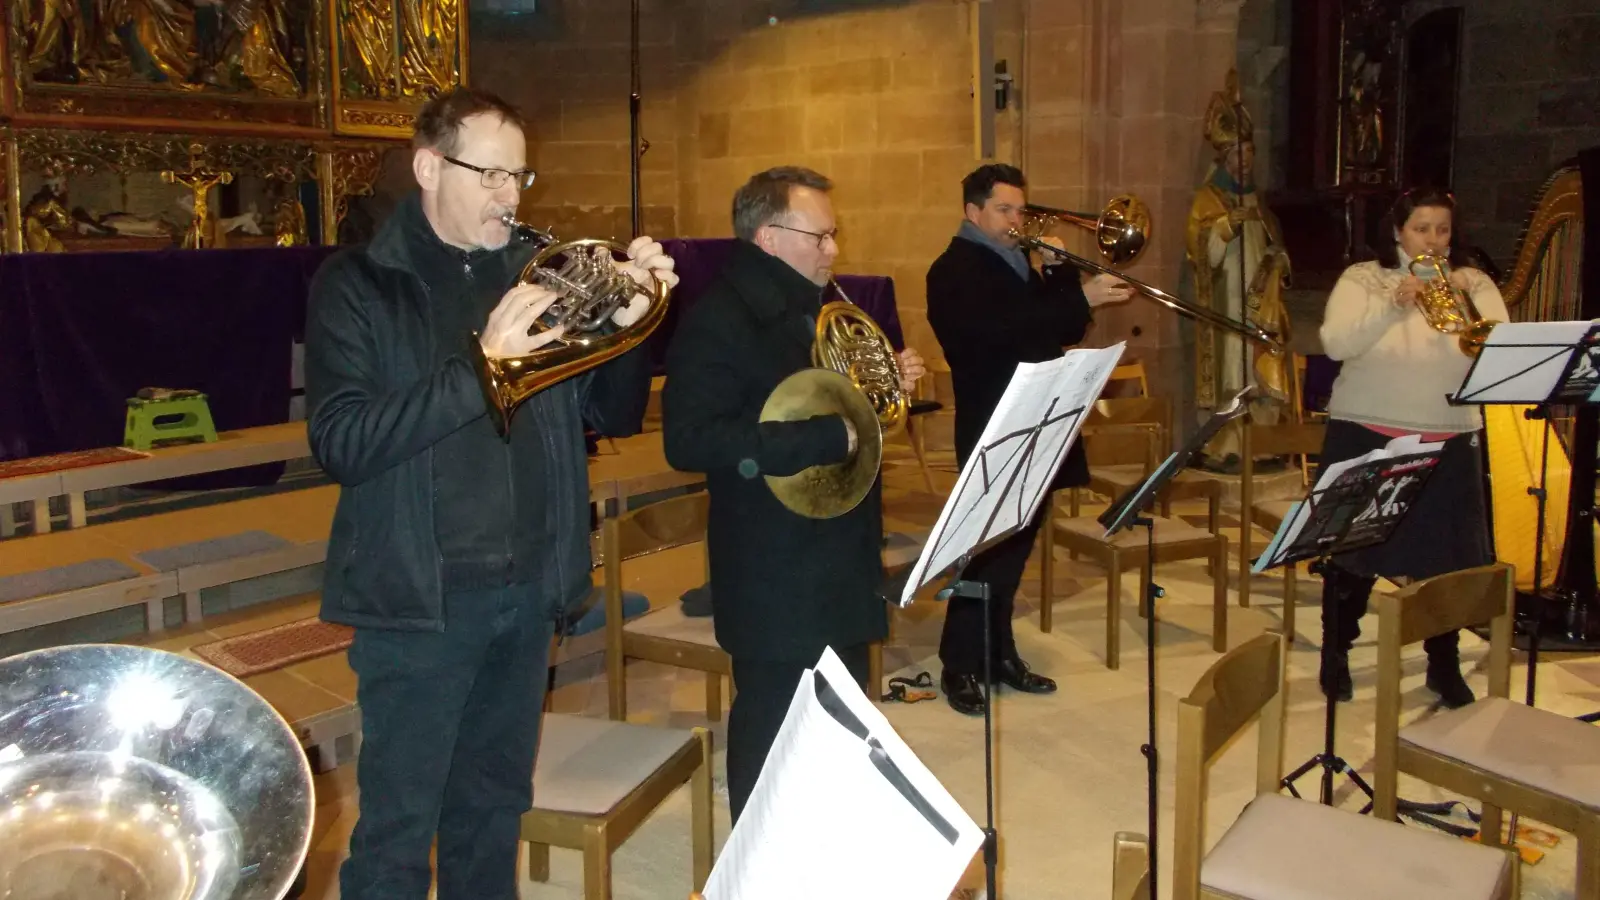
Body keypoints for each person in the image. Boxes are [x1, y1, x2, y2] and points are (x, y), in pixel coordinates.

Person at [304, 86, 678, 900]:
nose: (511, 197)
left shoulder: (533, 280)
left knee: (493, 812)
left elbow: (609, 413)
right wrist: (486, 365)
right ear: (430, 167)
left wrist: (631, 324)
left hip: (526, 590)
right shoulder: (362, 283)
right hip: (418, 605)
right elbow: (341, 442)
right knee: (399, 838)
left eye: (520, 177)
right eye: (491, 176)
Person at [661, 166, 925, 824]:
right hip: (773, 566)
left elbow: (842, 406)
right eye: (822, 235)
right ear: (768, 236)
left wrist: (886, 386)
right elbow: (689, 441)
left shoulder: (817, 306)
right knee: (775, 726)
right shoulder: (720, 319)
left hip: (838, 547)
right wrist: (826, 436)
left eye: (834, 234)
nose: (834, 249)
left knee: (842, 717)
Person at [926, 163, 1131, 716]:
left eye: (1021, 209)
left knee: (1014, 552)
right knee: (985, 551)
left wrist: (1064, 276)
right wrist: (1079, 293)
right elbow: (1000, 337)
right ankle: (959, 662)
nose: (1018, 220)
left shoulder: (1019, 261)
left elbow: (1059, 330)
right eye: (1004, 210)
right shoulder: (952, 270)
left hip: (1039, 420)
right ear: (973, 212)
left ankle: (998, 653)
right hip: (995, 424)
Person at [1316, 186, 1508, 709]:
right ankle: (1336, 654)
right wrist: (1393, 305)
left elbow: (1502, 349)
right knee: (1354, 553)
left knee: (1445, 561)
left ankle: (1443, 665)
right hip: (1370, 428)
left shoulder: (1471, 279)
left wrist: (1469, 298)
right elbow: (1335, 343)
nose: (1434, 239)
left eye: (1443, 229)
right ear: (1398, 231)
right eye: (1422, 228)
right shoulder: (1364, 278)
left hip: (1451, 431)